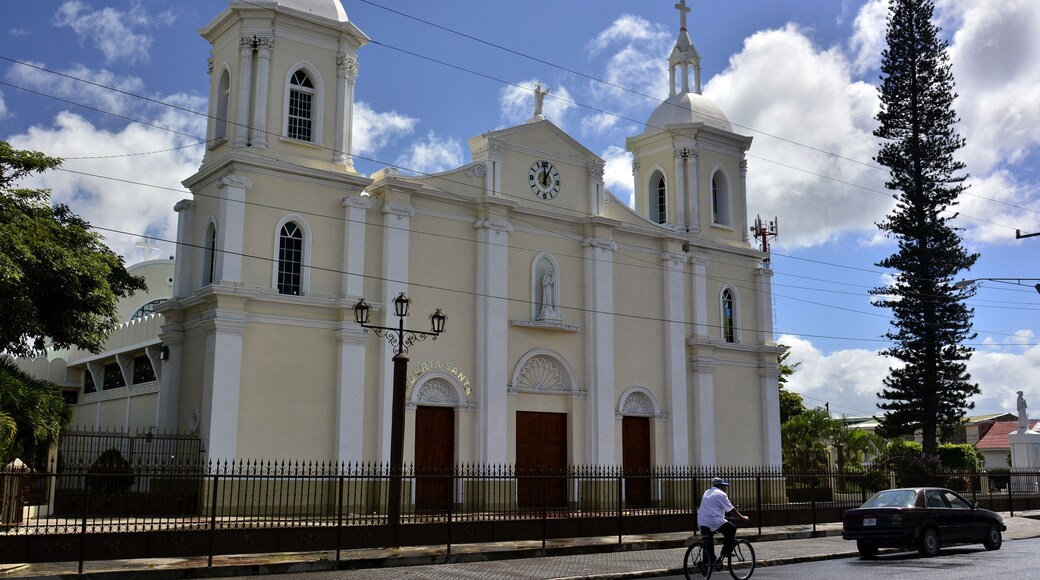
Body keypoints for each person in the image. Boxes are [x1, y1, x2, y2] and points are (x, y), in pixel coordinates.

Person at [697, 477, 748, 569]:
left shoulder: (707, 492)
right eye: (724, 486)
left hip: (702, 522)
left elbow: (712, 508)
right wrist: (742, 517)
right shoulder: (721, 494)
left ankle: (708, 561)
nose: (725, 488)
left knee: (708, 539)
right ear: (719, 486)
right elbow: (731, 509)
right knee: (732, 528)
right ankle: (726, 551)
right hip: (713, 521)